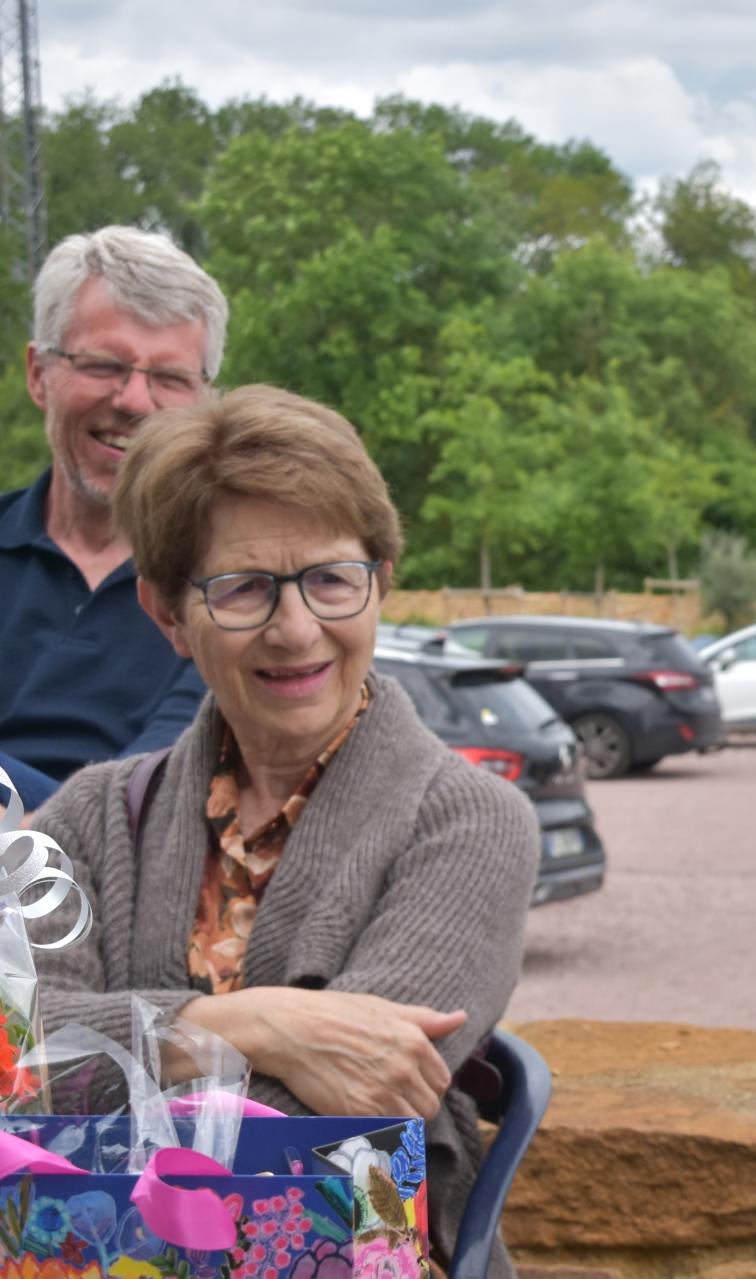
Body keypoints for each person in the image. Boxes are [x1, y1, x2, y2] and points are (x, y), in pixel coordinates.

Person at [32, 386, 540, 1276]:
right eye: (244, 589)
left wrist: (115, 1066)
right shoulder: (88, 815)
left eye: (333, 579)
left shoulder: (470, 820)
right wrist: (250, 1026)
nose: (297, 628)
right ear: (167, 615)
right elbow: (16, 1059)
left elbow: (345, 1113)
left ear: (381, 580)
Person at [0, 227, 226, 810]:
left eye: (170, 378)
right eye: (103, 365)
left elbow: (139, 805)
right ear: (37, 375)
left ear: (204, 401)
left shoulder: (231, 586)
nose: (133, 401)